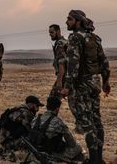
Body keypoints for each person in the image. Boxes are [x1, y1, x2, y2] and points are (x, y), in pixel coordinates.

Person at [60, 10, 111, 163]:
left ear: (78, 21)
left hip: (81, 85)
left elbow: (73, 65)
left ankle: (94, 161)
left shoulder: (75, 38)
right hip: (94, 83)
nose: (66, 22)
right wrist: (106, 81)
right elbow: (104, 62)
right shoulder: (95, 38)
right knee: (97, 121)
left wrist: (67, 87)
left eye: (69, 19)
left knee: (87, 124)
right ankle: (99, 159)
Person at [48, 24, 81, 134]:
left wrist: (59, 82)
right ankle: (80, 125)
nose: (50, 35)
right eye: (49, 33)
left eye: (52, 32)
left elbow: (61, 64)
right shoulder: (65, 42)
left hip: (64, 77)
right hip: (70, 76)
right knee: (73, 102)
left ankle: (50, 123)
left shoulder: (60, 44)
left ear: (58, 31)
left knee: (52, 100)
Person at [30, 96, 85, 162]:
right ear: (57, 109)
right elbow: (71, 143)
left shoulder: (36, 118)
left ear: (47, 106)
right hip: (51, 154)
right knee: (78, 147)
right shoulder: (58, 122)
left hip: (35, 151)